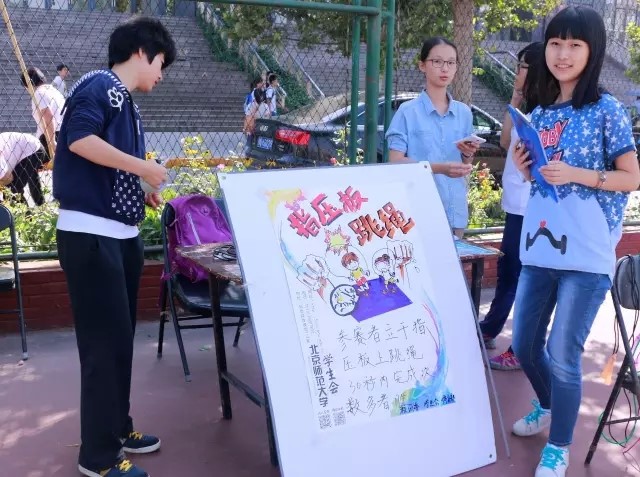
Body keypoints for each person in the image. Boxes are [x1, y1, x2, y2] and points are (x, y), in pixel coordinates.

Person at [510, 7, 640, 477]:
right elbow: (545, 182)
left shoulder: (607, 110)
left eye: (574, 45)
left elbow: (632, 177)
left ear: (593, 51)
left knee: (563, 353)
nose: (562, 54)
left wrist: (578, 174)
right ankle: (549, 405)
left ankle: (559, 446)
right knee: (524, 344)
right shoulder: (540, 112)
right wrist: (528, 170)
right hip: (541, 245)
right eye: (555, 43)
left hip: (586, 254)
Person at [53, 16, 176, 477]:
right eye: (161, 63)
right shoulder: (101, 87)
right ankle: (98, 459)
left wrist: (140, 187)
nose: (161, 75)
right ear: (142, 52)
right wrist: (143, 168)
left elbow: (104, 163)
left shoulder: (123, 101)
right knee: (104, 350)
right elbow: (79, 140)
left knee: (118, 344)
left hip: (118, 236)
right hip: (92, 236)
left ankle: (117, 430)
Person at [479, 42, 543, 371]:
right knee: (510, 272)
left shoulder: (546, 113)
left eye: (522, 67)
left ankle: (520, 348)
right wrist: (515, 99)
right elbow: (506, 142)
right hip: (515, 206)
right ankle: (492, 329)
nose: (516, 72)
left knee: (524, 277)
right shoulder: (527, 109)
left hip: (531, 210)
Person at [386, 37, 479, 238]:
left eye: (451, 62)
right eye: (437, 61)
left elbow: (465, 162)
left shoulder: (464, 112)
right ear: (422, 65)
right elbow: (395, 161)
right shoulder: (407, 112)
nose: (445, 68)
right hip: (418, 211)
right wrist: (439, 168)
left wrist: (467, 155)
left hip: (455, 210)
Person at [20, 66, 65, 165]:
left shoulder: (39, 93)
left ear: (28, 85)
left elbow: (48, 117)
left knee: (32, 165)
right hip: (64, 132)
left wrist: (52, 142)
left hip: (51, 136)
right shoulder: (54, 91)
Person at [0, 132, 47, 205]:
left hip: (33, 149)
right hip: (21, 147)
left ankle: (24, 212)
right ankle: (40, 206)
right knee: (8, 190)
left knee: (12, 189)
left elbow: (8, 178)